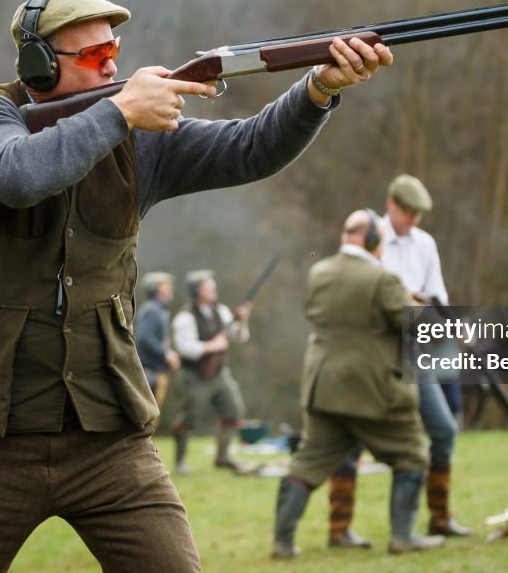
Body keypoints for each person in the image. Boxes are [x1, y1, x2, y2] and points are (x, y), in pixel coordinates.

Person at [0, 0, 392, 573]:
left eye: (113, 49)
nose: (112, 64)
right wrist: (118, 112)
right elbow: (17, 176)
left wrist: (317, 90)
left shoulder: (139, 137)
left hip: (107, 436)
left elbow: (250, 148)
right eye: (91, 56)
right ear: (37, 64)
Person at [271, 210, 446, 559]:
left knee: (306, 463)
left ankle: (282, 543)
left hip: (324, 387)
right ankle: (403, 537)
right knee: (411, 454)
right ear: (371, 240)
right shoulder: (383, 280)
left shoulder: (319, 272)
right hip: (374, 390)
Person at [325, 175, 471, 547]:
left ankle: (440, 517)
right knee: (351, 436)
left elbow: (436, 296)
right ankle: (339, 530)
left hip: (412, 352)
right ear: (391, 205)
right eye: (409, 211)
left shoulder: (426, 245)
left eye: (418, 213)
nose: (414, 219)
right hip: (371, 352)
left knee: (443, 428)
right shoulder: (371, 240)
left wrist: (452, 327)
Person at [170, 270, 252, 474]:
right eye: (208, 286)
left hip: (220, 374)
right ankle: (180, 463)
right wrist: (212, 346)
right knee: (189, 418)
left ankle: (223, 458)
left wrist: (242, 319)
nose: (213, 289)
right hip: (195, 376)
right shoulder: (185, 318)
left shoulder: (221, 311)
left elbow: (239, 337)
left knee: (234, 411)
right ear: (197, 291)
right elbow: (185, 348)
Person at [135, 271, 180, 411]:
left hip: (156, 370)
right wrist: (166, 353)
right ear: (157, 289)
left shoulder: (158, 310)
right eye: (166, 285)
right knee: (149, 412)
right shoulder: (152, 310)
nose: (170, 287)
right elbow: (144, 337)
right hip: (150, 371)